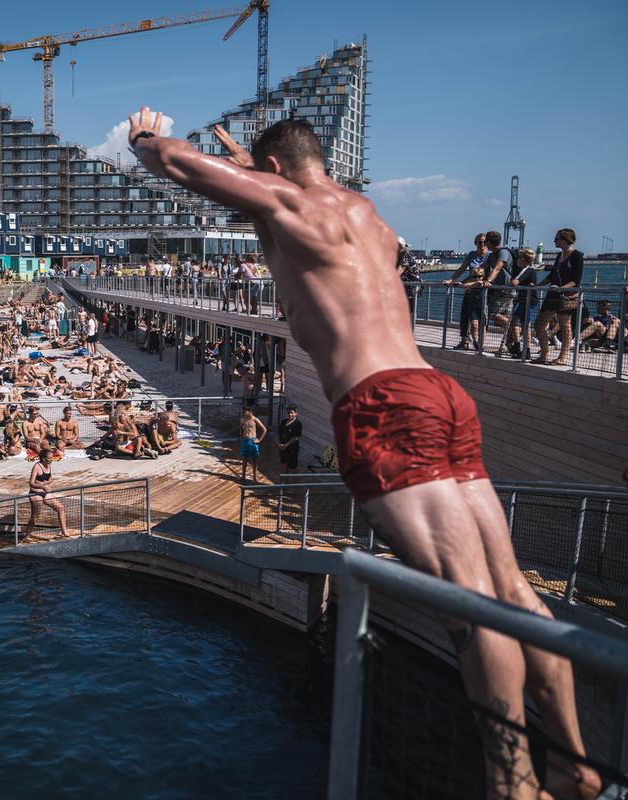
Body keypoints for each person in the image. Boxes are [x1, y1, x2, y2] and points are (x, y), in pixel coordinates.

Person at [129, 108, 595, 799]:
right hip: (438, 391)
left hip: (382, 406)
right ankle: (573, 763)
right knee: (513, 589)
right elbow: (282, 201)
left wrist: (145, 138)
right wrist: (256, 167)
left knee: (468, 603)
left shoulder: (292, 201)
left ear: (276, 172)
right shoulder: (367, 216)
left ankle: (513, 784)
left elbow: (180, 164)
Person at [534, 229, 584, 366]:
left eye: (557, 239)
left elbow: (576, 280)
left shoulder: (576, 256)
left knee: (565, 325)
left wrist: (562, 289)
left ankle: (562, 357)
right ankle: (544, 354)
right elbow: (551, 276)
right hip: (552, 295)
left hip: (566, 296)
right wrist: (538, 285)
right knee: (539, 324)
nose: (554, 241)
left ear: (565, 239)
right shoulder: (559, 255)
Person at [444, 233, 491, 350]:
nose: (482, 244)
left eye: (484, 242)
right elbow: (462, 268)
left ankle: (480, 344)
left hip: (482, 291)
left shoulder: (490, 255)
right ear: (476, 243)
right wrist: (451, 279)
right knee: (465, 315)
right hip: (469, 289)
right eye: (479, 242)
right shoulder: (472, 255)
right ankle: (464, 341)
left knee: (480, 318)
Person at [23, 448, 68, 541]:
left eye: (52, 458)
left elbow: (50, 478)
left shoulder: (49, 465)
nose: (51, 460)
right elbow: (31, 483)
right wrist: (42, 487)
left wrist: (46, 483)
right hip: (35, 493)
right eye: (49, 458)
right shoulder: (37, 466)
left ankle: (64, 531)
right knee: (35, 517)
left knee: (60, 508)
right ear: (43, 458)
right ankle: (27, 536)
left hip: (45, 493)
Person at [238, 406, 267, 482]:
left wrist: (259, 440)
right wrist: (241, 436)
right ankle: (243, 476)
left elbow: (264, 429)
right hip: (245, 440)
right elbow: (240, 428)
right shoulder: (243, 419)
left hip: (253, 441)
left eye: (245, 412)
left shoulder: (255, 419)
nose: (243, 413)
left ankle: (255, 477)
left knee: (254, 460)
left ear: (249, 411)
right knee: (244, 459)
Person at [277, 405, 302, 472]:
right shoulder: (283, 422)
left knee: (292, 466)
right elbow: (279, 433)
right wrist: (279, 444)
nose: (290, 414)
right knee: (284, 464)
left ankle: (291, 481)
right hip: (283, 448)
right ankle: (284, 480)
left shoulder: (297, 424)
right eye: (288, 413)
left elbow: (296, 437)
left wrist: (286, 445)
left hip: (292, 449)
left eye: (292, 413)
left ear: (296, 413)